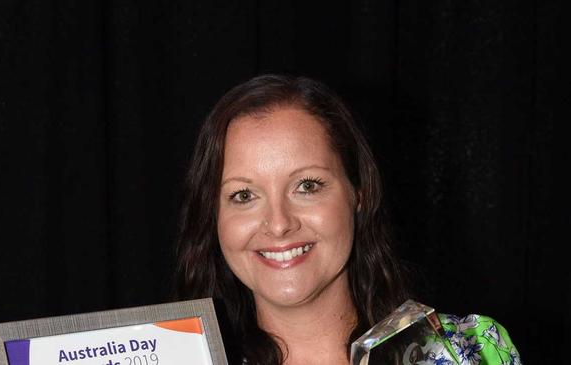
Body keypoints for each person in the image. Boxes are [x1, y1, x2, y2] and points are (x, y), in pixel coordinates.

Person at [172, 74, 521, 365]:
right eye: (244, 196)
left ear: (359, 193)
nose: (278, 224)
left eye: (307, 186)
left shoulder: (470, 352)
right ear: (213, 216)